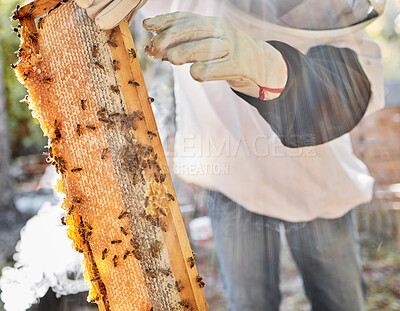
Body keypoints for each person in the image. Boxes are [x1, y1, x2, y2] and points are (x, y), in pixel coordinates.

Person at [75, 0, 386, 310]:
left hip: (317, 183)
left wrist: (267, 66)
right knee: (250, 303)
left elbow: (352, 87)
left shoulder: (333, 10)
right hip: (232, 181)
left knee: (340, 301)